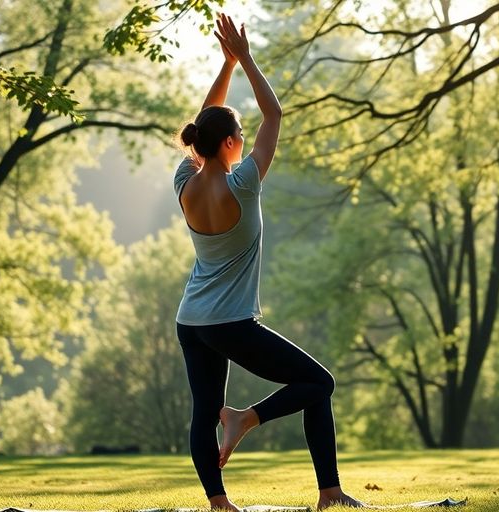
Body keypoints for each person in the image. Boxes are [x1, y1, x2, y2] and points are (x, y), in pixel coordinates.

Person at [173, 13, 365, 512]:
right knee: (318, 384)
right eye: (239, 132)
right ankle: (293, 460)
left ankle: (220, 504)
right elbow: (274, 114)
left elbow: (205, 121)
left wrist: (226, 66)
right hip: (230, 323)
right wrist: (246, 61)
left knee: (201, 413)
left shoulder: (185, 184)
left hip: (191, 320)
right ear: (233, 142)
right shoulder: (244, 184)